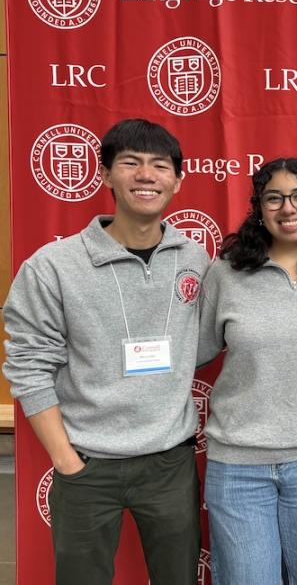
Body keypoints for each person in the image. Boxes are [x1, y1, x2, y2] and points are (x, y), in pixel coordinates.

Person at [3, 119, 208, 585]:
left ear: (178, 180)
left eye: (159, 165)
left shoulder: (195, 259)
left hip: (169, 462)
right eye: (130, 163)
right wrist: (67, 461)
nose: (145, 175)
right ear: (104, 175)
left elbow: (210, 338)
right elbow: (28, 365)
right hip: (87, 464)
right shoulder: (53, 266)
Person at [197, 158, 297, 585]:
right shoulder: (226, 273)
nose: (289, 208)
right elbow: (193, 351)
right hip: (238, 463)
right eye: (275, 197)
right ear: (259, 208)